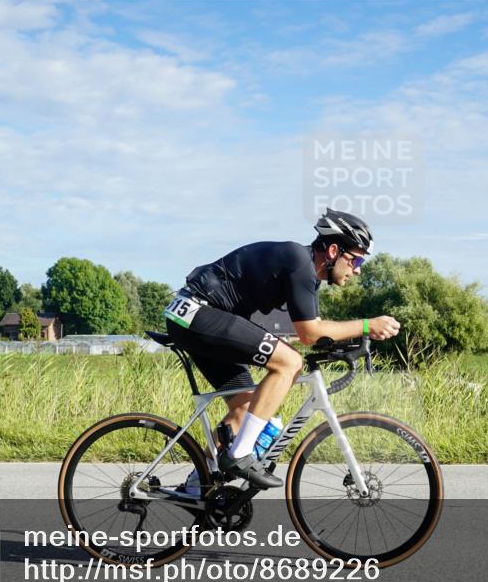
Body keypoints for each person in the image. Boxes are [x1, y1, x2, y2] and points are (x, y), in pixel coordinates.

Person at [164, 209, 401, 489]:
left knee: (245, 408)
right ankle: (240, 454)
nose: (358, 269)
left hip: (195, 318)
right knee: (289, 362)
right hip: (197, 313)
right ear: (334, 250)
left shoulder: (303, 271)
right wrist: (365, 325)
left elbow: (308, 329)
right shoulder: (299, 262)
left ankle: (197, 487)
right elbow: (310, 332)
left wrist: (342, 343)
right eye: (356, 258)